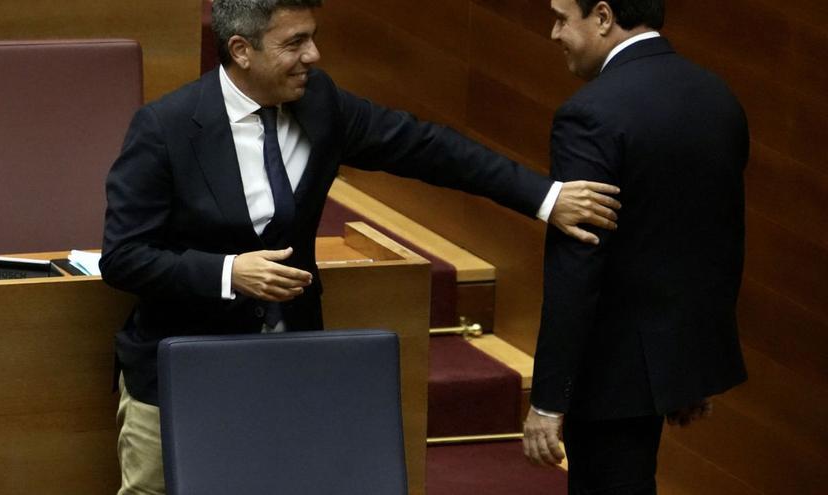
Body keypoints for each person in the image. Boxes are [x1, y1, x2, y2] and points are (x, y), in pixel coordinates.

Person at [100, 0, 622, 493]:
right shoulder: (165, 129)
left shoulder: (320, 102)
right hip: (180, 373)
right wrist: (227, 273)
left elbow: (427, 147)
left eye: (314, 38)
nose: (313, 55)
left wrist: (545, 197)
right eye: (295, 42)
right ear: (241, 50)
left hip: (289, 365)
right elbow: (124, 256)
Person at [522, 0, 749, 493]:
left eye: (563, 17)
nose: (553, 32)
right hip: (669, 361)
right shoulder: (717, 96)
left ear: (603, 17)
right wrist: (688, 370)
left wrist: (548, 400)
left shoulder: (589, 113)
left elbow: (577, 262)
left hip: (610, 372)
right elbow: (716, 240)